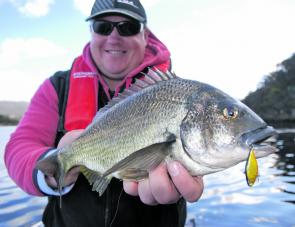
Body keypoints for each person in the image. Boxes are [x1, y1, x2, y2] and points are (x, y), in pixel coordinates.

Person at [4, 0, 204, 226]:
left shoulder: (178, 95)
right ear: (91, 31)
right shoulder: (57, 86)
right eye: (103, 26)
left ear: (145, 35)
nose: (114, 37)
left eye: (128, 27)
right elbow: (19, 147)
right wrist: (55, 170)